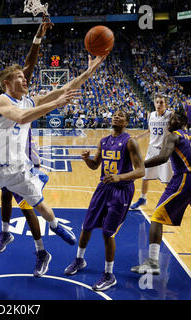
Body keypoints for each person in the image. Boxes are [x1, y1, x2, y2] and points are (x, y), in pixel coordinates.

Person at [0, 54, 108, 261]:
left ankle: (55, 226)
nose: (25, 79)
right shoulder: (0, 101)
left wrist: (89, 71)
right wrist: (56, 104)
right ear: (7, 83)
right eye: (19, 76)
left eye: (24, 77)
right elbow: (22, 116)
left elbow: (65, 89)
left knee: (39, 203)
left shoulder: (29, 100)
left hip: (17, 168)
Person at [0, 18, 53, 277]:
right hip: (5, 159)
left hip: (25, 158)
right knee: (4, 194)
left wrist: (38, 38)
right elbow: (0, 114)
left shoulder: (21, 96)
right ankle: (5, 233)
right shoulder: (1, 100)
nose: (20, 78)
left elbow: (29, 64)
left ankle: (41, 252)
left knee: (27, 207)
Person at [64, 110, 145, 291]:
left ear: (126, 122)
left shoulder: (130, 142)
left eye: (121, 115)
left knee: (108, 233)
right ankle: (79, 260)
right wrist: (86, 159)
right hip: (103, 188)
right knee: (87, 225)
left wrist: (120, 177)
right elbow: (95, 166)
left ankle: (109, 275)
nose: (116, 116)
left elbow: (141, 171)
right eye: (114, 114)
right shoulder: (104, 141)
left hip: (121, 191)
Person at [131, 109, 191, 275]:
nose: (170, 121)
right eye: (170, 119)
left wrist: (142, 165)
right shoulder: (188, 137)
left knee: (157, 217)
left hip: (184, 178)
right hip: (185, 178)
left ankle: (152, 262)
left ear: (184, 123)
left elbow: (163, 157)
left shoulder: (172, 136)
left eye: (174, 119)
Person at [130, 93, 173, 210]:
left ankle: (171, 202)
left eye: (161, 102)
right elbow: (150, 130)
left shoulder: (170, 115)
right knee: (145, 176)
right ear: (154, 103)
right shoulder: (151, 115)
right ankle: (143, 198)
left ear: (165, 104)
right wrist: (138, 137)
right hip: (152, 150)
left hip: (165, 152)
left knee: (167, 180)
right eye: (157, 102)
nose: (159, 104)